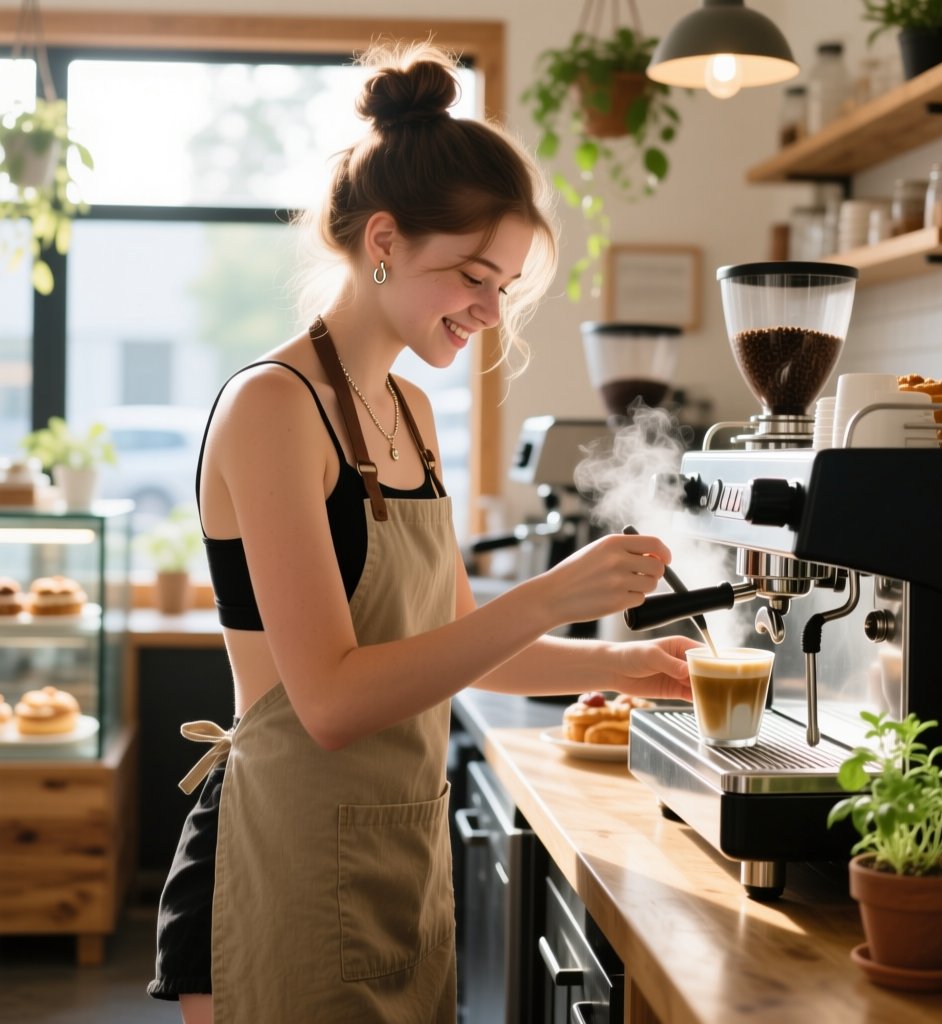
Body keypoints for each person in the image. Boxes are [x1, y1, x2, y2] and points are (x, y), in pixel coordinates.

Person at [148, 40, 696, 1024]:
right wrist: (552, 591)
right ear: (384, 241)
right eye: (474, 278)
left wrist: (618, 664)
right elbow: (330, 702)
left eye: (506, 288)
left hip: (396, 854)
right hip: (280, 862)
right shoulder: (272, 407)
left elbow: (454, 649)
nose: (490, 312)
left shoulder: (408, 409)